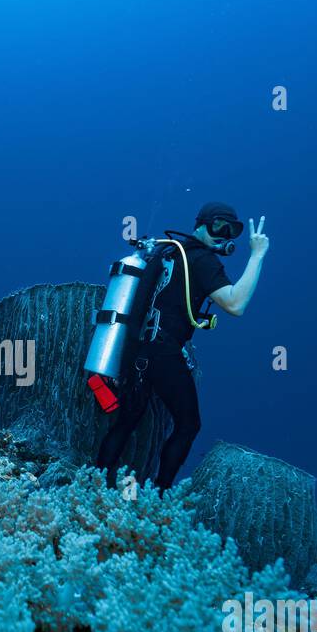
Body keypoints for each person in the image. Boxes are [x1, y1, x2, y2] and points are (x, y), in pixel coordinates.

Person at [95, 202, 269, 490]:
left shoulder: (171, 252)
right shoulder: (202, 261)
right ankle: (161, 495)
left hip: (138, 351)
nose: (223, 235)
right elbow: (235, 304)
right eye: (218, 226)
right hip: (163, 352)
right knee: (189, 425)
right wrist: (257, 255)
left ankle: (95, 483)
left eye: (231, 230)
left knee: (127, 420)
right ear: (201, 224)